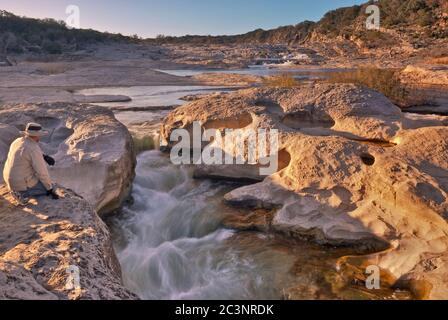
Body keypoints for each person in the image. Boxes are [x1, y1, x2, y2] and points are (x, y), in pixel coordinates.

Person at [3, 122, 59, 206]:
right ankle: (22, 194)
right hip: (20, 183)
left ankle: (17, 190)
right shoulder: (33, 149)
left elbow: (28, 149)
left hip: (8, 178)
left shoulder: (17, 141)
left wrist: (44, 156)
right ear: (37, 135)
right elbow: (41, 172)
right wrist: (49, 188)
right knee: (53, 186)